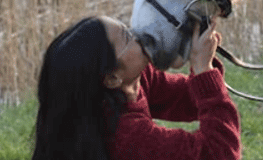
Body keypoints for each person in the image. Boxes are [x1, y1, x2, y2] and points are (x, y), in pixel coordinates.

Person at [31, 15, 241, 160]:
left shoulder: (131, 81)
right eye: (127, 37)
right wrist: (203, 69)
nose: (138, 35)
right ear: (112, 78)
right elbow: (220, 153)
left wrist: (200, 59)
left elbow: (191, 100)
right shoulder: (126, 138)